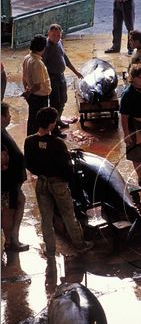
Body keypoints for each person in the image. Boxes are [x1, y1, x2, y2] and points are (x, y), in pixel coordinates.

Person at [24, 107, 94, 257]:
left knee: (46, 218)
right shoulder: (58, 144)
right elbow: (68, 168)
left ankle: (50, 251)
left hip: (42, 182)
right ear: (51, 124)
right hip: (59, 184)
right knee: (69, 214)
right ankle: (80, 244)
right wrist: (68, 181)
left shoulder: (29, 141)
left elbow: (28, 164)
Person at [43, 23, 83, 138]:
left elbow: (64, 57)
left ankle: (58, 119)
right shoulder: (46, 47)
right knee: (55, 102)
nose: (56, 37)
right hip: (52, 77)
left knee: (63, 99)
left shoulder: (59, 42)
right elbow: (43, 64)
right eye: (54, 35)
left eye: (58, 35)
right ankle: (54, 129)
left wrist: (75, 71)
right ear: (49, 34)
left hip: (61, 76)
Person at [1, 102, 29, 252]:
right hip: (7, 183)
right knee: (8, 210)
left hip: (12, 182)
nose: (10, 117)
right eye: (7, 115)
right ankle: (11, 242)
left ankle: (13, 238)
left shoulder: (2, 131)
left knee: (18, 203)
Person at [22, 35, 51, 136]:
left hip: (33, 96)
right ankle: (38, 143)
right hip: (39, 98)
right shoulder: (37, 63)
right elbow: (38, 86)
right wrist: (28, 93)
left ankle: (30, 141)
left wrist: (27, 91)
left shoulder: (27, 58)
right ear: (43, 48)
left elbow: (24, 77)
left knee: (32, 120)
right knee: (40, 123)